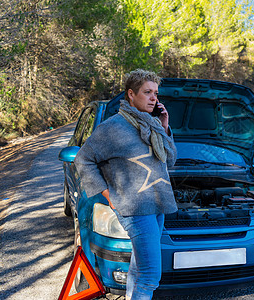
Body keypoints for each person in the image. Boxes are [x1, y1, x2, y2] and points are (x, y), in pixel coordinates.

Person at [74, 69, 177, 300]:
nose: (154, 98)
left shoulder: (152, 124)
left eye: (156, 94)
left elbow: (170, 159)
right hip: (135, 209)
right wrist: (107, 195)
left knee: (138, 268)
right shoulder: (113, 127)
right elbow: (83, 158)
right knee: (150, 276)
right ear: (131, 94)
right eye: (147, 92)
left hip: (157, 204)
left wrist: (164, 125)